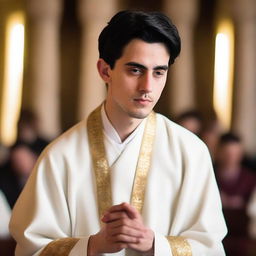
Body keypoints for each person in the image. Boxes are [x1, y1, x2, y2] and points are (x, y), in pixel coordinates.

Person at [9, 10, 227, 256]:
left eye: (159, 72)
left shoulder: (190, 151)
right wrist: (92, 246)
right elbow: (31, 248)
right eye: (135, 70)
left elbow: (210, 247)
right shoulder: (60, 156)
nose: (147, 87)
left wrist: (154, 244)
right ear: (105, 70)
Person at [214, 132, 256, 255]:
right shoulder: (209, 176)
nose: (231, 158)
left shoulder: (250, 180)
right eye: (227, 153)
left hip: (242, 240)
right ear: (218, 152)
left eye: (235, 154)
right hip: (215, 237)